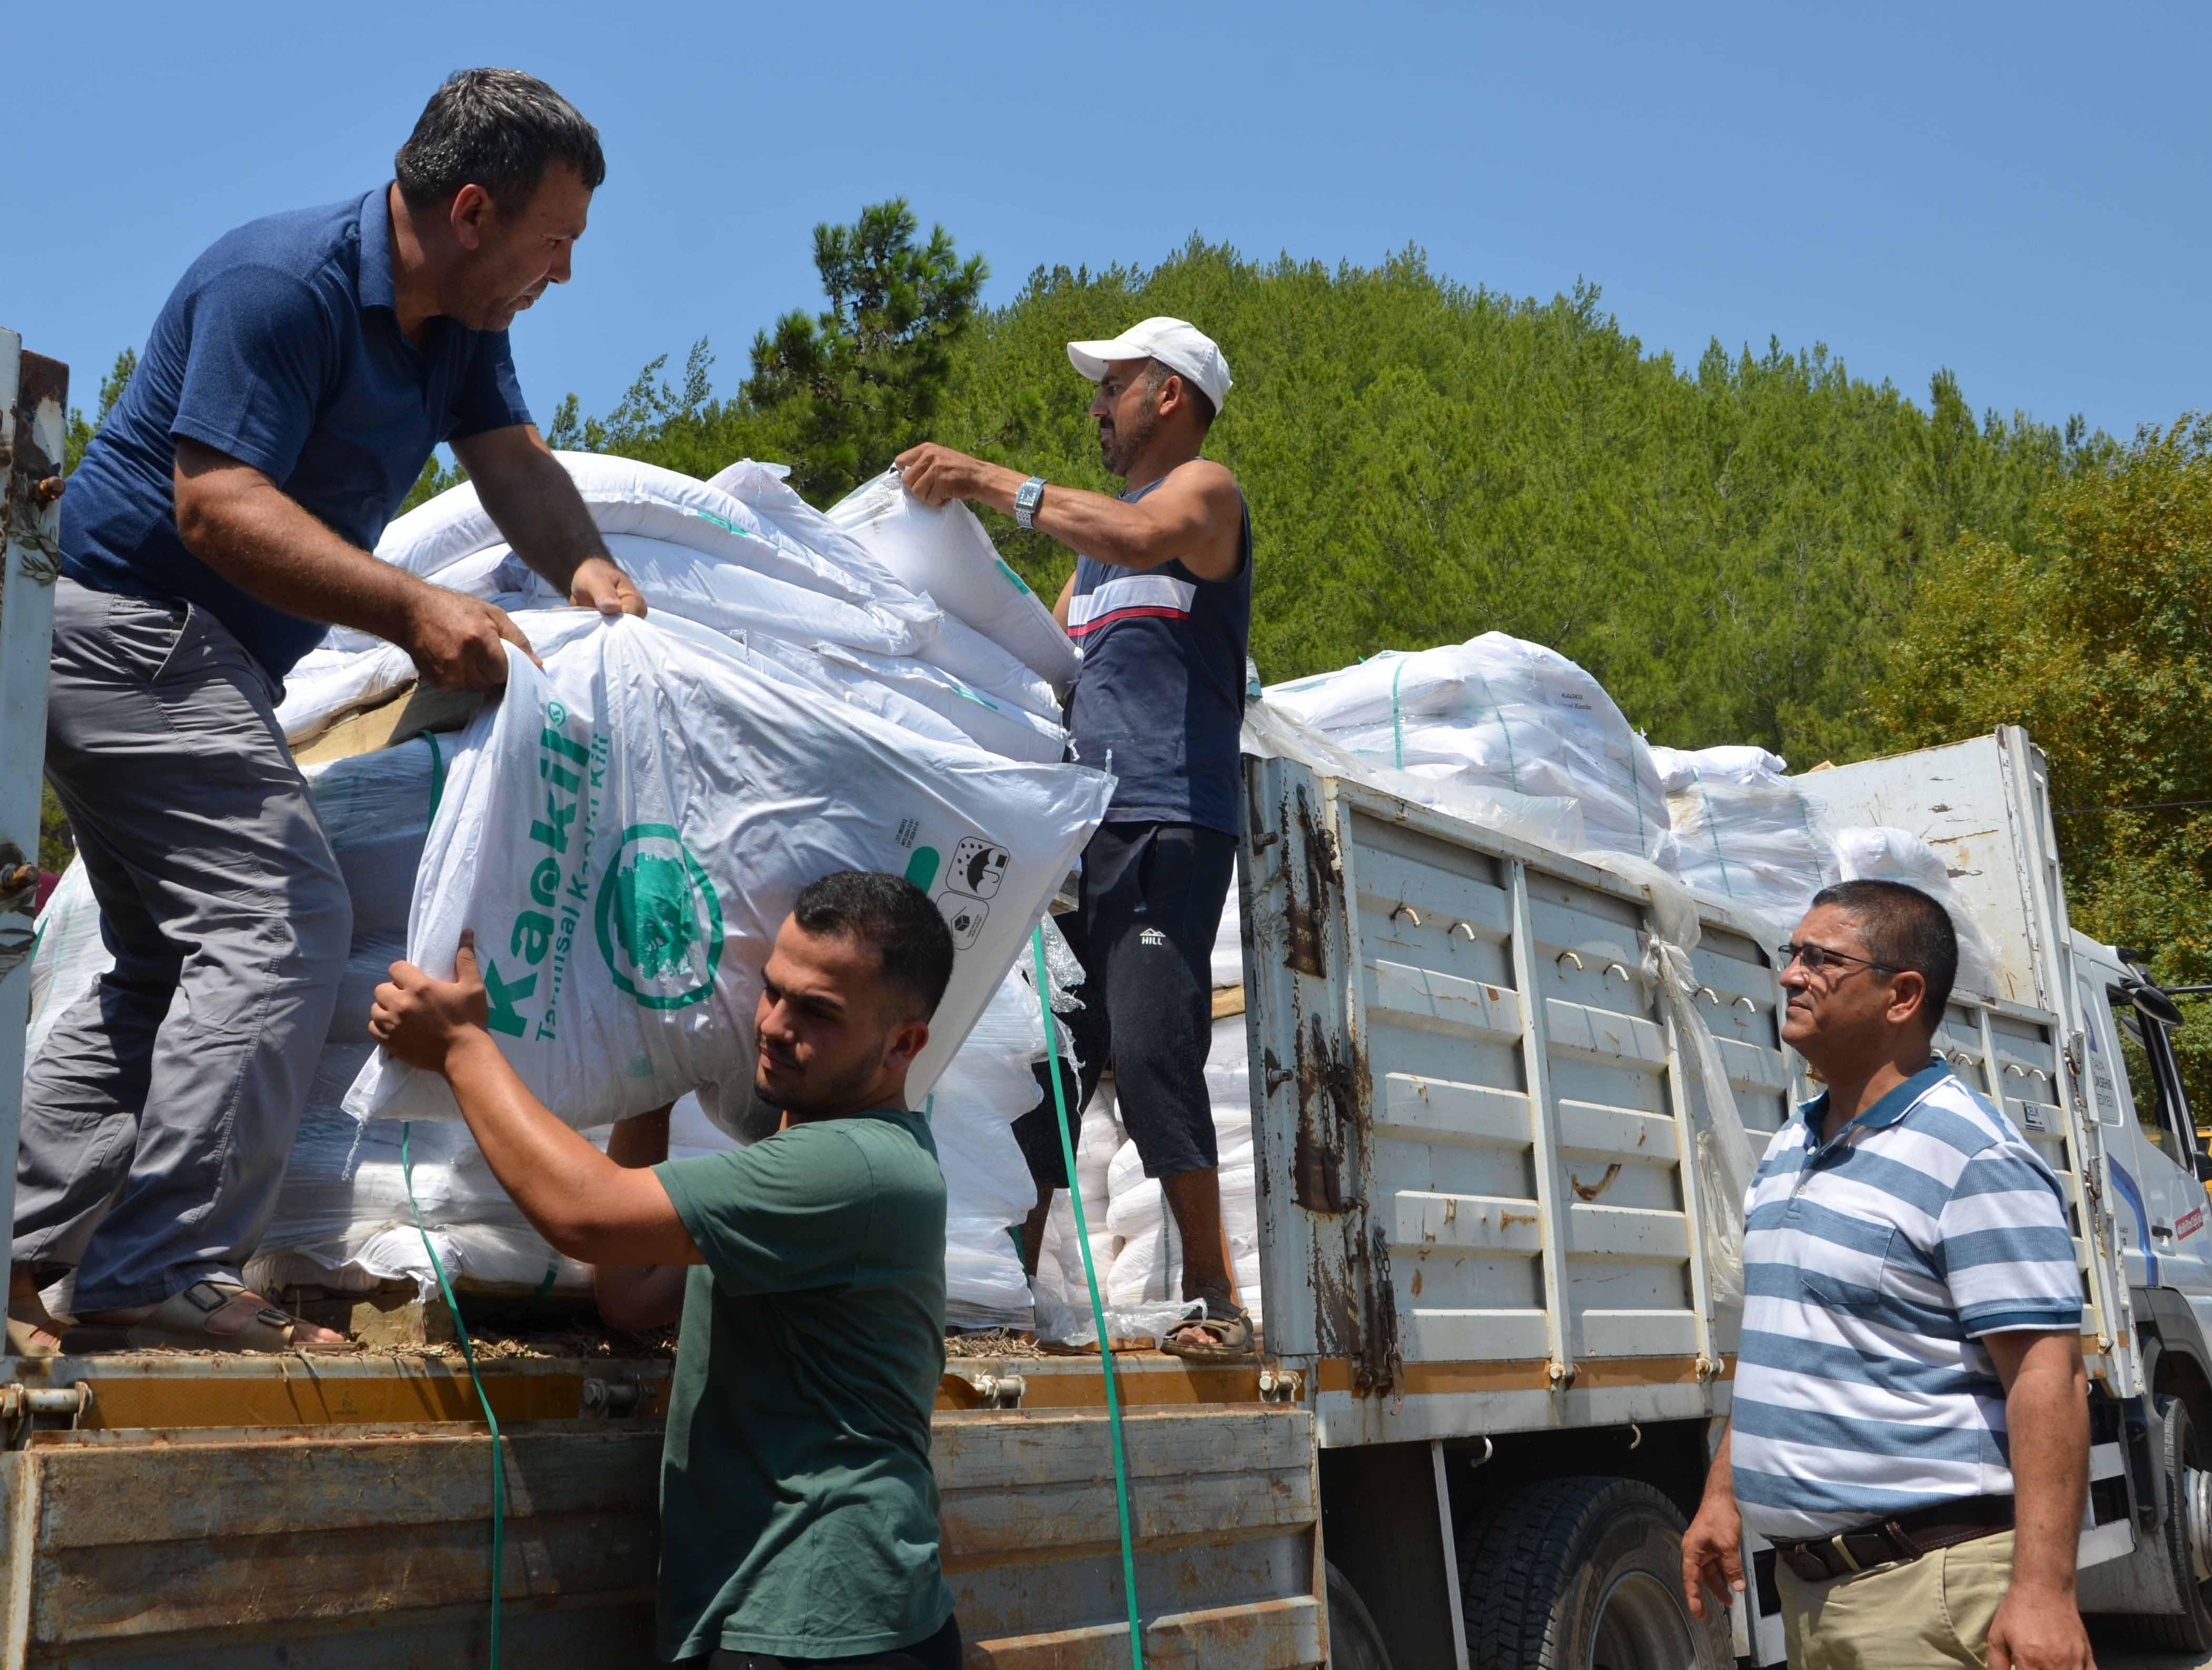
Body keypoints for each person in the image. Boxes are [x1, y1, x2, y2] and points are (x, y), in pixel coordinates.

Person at [9, 69, 644, 1357]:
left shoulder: (457, 324)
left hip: (189, 655)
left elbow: (513, 462)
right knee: (278, 917)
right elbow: (215, 505)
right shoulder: (280, 284)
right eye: (554, 240)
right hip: (133, 631)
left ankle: (23, 1253)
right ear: (472, 211)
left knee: (166, 969)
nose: (564, 272)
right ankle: (160, 1272)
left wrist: (590, 569)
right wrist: (413, 609)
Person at [369, 871, 962, 1670]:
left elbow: (585, 1215)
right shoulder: (813, 1172)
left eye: (818, 1013)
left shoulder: (849, 1167)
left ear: (903, 1045)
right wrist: (649, 1083)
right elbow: (631, 1294)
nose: (774, 1025)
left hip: (815, 1622)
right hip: (793, 1610)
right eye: (772, 991)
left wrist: (460, 1047)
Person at [893, 317, 1254, 1360]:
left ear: (1169, 394)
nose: (1096, 404)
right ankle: (1009, 1287)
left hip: (1165, 821)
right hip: (1085, 836)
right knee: (1055, 1059)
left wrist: (980, 479)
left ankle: (1217, 1298)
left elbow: (1135, 536)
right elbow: (1045, 668)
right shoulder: (1090, 574)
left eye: (1113, 385)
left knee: (1148, 1048)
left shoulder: (1203, 495)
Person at [1681, 880, 2094, 1670]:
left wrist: (2044, 1592)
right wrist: (1723, 1494)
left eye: (1820, 959)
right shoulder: (1790, 1146)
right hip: (1813, 1597)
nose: (1790, 975)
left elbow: (2049, 1378)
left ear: (1902, 996)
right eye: (1791, 954)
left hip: (1930, 1592)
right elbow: (1787, 1342)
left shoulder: (1971, 1156)